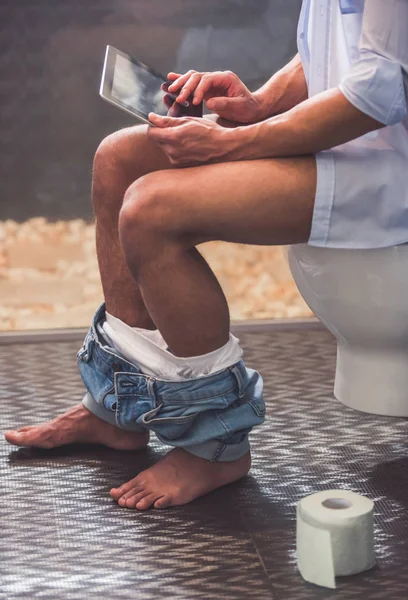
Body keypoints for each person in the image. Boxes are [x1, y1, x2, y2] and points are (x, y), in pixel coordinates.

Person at [5, 0, 408, 511]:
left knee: (152, 212)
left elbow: (380, 88)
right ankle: (117, 407)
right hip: (351, 145)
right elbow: (341, 48)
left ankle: (217, 445)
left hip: (388, 170)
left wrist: (232, 145)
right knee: (118, 160)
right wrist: (260, 104)